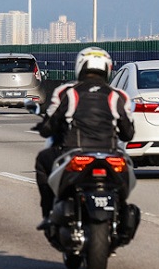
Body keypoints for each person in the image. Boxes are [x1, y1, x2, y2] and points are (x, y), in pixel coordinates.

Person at [33, 47, 136, 229]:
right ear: (107, 69)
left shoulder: (67, 92)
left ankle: (48, 214)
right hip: (110, 153)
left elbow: (49, 127)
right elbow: (128, 133)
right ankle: (119, 212)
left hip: (75, 151)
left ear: (79, 67)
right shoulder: (118, 96)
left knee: (43, 160)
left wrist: (47, 127)